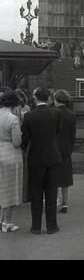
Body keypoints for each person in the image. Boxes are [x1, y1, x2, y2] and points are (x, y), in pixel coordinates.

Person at [21, 88, 62, 235]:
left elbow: (24, 139)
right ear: (49, 98)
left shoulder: (29, 116)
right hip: (53, 156)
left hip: (36, 158)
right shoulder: (56, 114)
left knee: (36, 192)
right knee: (51, 192)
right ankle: (52, 226)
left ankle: (36, 227)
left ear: (35, 98)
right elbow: (58, 132)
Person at [0, 91, 23, 232]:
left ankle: (2, 219)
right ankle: (6, 222)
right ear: (14, 104)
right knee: (9, 188)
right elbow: (17, 142)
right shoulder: (13, 119)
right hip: (10, 154)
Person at [53, 89, 76, 213]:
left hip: (54, 148)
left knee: (54, 176)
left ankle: (55, 200)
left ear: (56, 99)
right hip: (66, 148)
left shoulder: (52, 113)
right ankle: (65, 203)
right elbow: (73, 135)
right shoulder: (72, 115)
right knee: (65, 177)